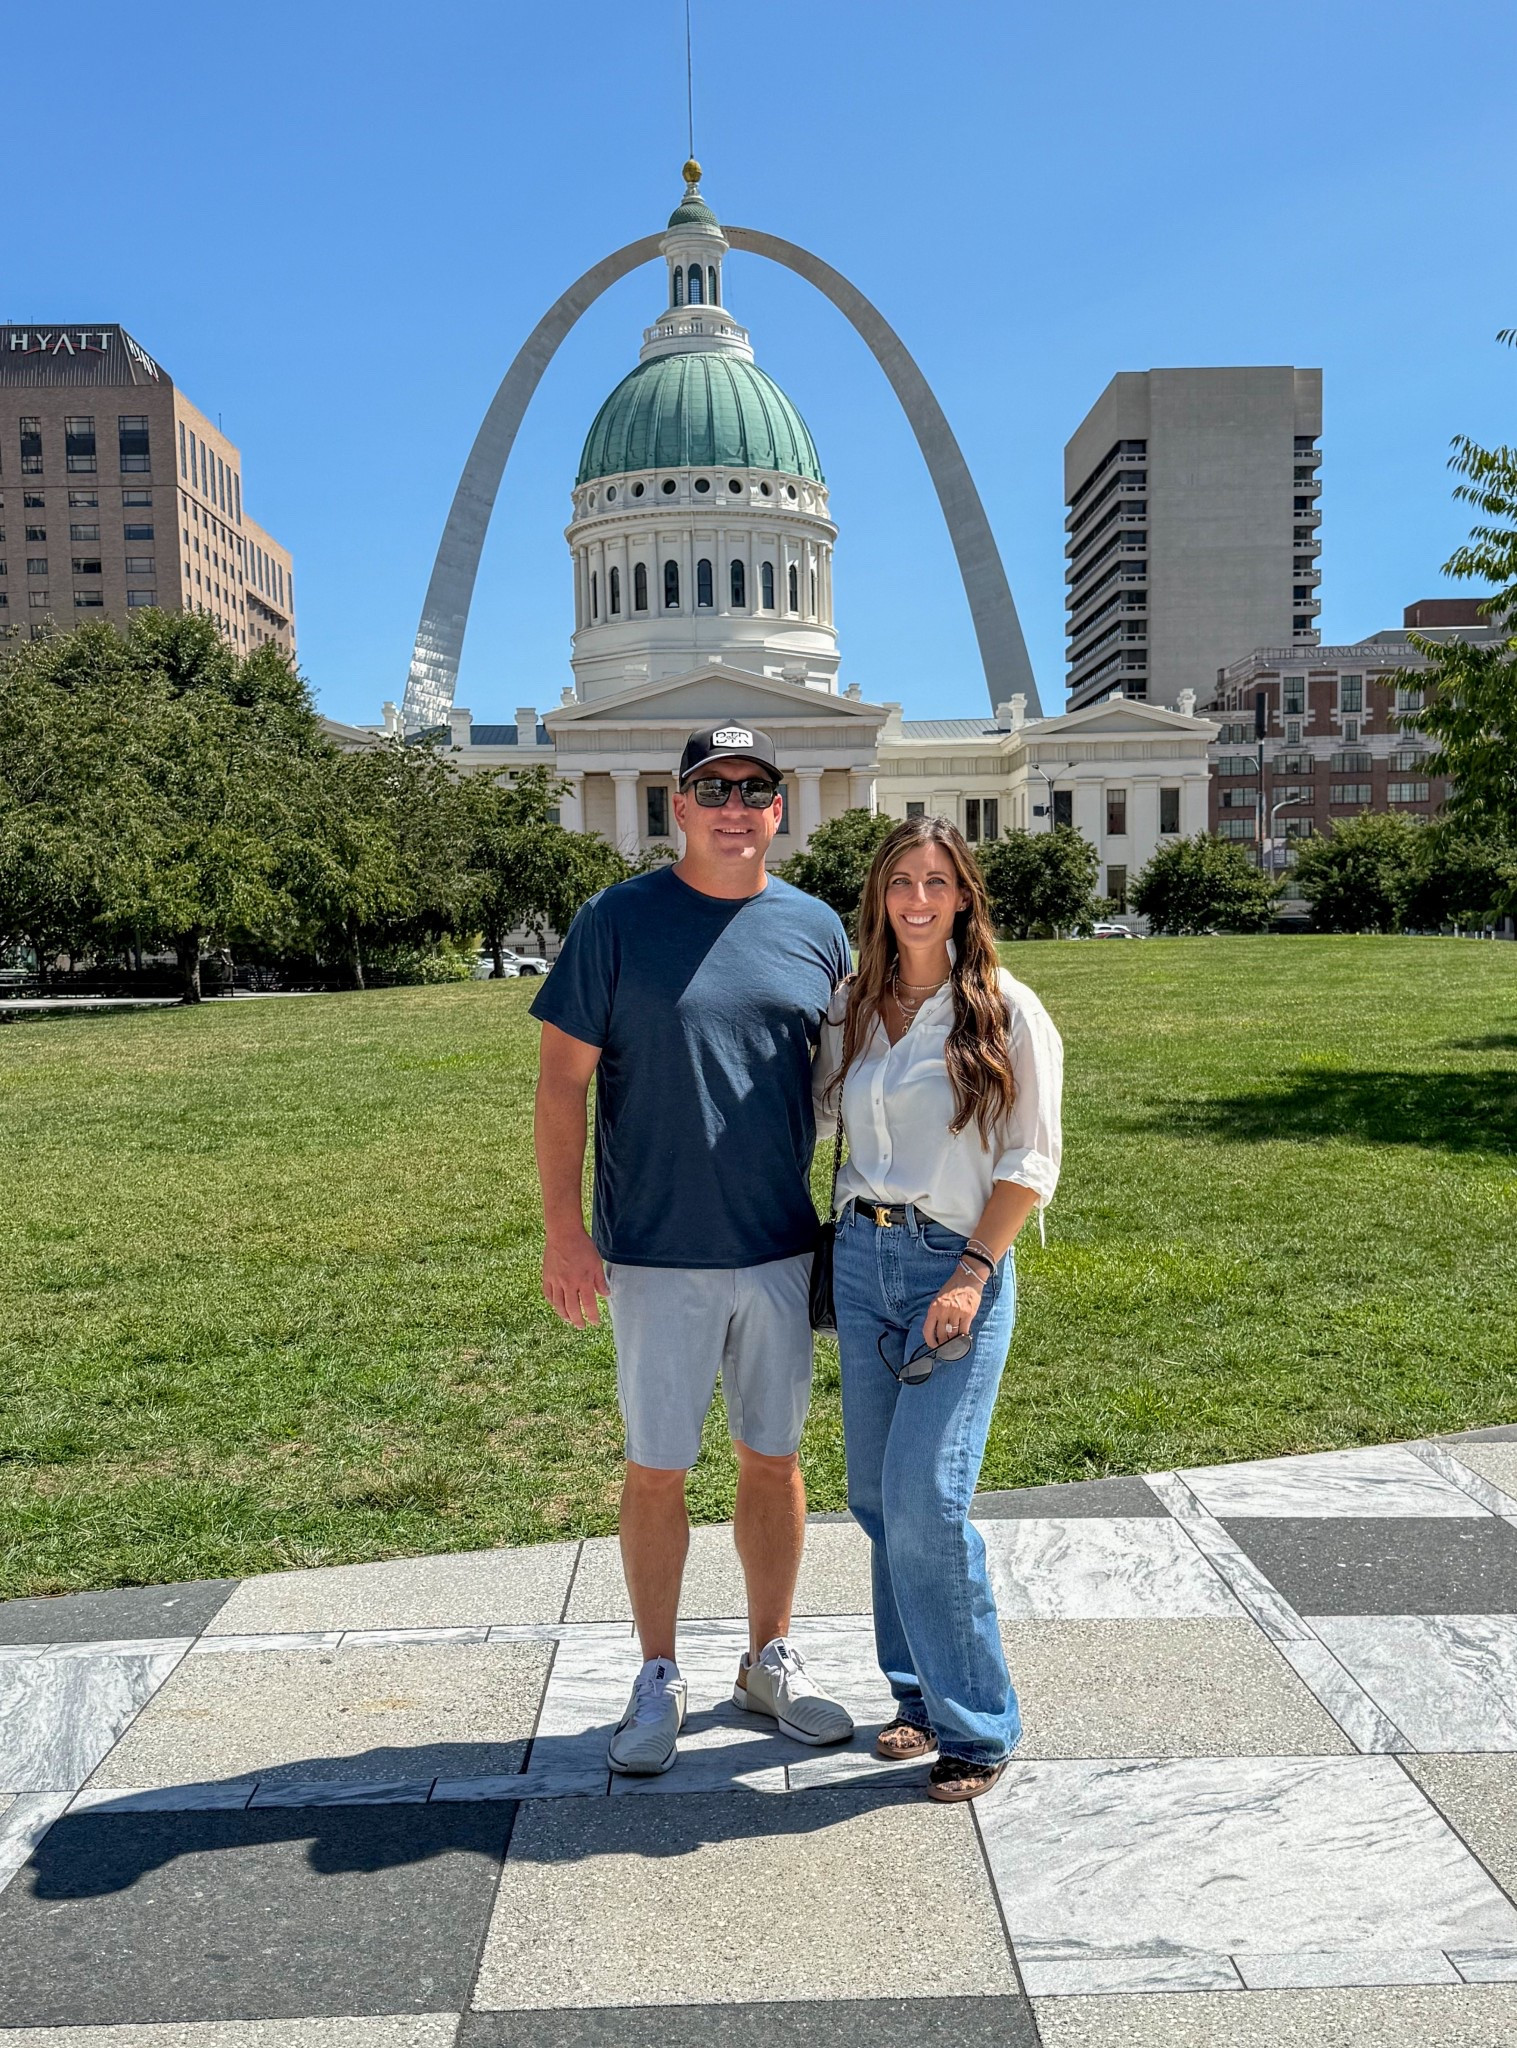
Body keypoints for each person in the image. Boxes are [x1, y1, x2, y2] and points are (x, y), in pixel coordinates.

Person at [531, 722, 856, 1776]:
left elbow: (865, 1079)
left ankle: (767, 1656)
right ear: (677, 804)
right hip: (654, 1249)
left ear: (779, 808)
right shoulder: (616, 920)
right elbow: (560, 1084)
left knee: (774, 1456)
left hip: (775, 1245)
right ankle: (657, 1671)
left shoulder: (816, 930)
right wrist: (564, 1230)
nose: (733, 802)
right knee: (656, 1467)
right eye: (711, 784)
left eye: (754, 786)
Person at [815, 813, 1063, 1802]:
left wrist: (967, 1271)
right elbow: (818, 1111)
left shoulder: (1004, 1009)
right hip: (862, 1257)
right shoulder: (853, 1007)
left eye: (935, 881)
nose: (916, 898)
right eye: (899, 882)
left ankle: (977, 1722)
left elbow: (1029, 1160)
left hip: (950, 1263)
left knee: (926, 1494)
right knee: (877, 1497)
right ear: (878, 897)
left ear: (963, 895)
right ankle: (915, 1693)